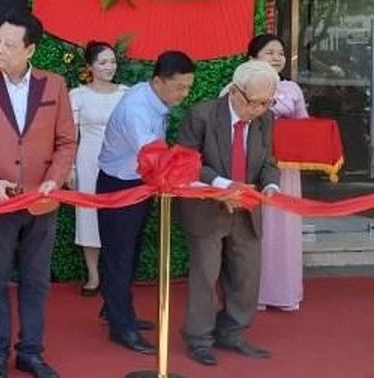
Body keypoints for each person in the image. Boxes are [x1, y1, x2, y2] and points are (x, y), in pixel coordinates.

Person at [0, 10, 75, 378]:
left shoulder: (54, 85)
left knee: (37, 280)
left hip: (43, 198)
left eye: (9, 44)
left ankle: (31, 351)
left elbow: (66, 141)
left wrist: (55, 179)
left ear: (30, 49)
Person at [176, 60, 281, 367]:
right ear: (235, 92)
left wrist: (271, 186)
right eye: (256, 102)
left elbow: (268, 160)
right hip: (207, 207)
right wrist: (224, 186)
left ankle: (233, 333)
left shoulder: (266, 118)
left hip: (247, 208)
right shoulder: (202, 115)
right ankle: (199, 338)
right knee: (205, 275)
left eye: (267, 102)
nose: (260, 109)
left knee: (247, 274)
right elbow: (187, 162)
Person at [96, 50, 196, 355]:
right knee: (120, 254)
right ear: (158, 81)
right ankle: (121, 326)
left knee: (130, 250)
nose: (184, 93)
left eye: (188, 87)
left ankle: (114, 309)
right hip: (120, 184)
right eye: (179, 87)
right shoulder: (137, 110)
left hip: (138, 182)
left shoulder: (150, 95)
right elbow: (152, 156)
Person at [248, 34, 308, 311]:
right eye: (269, 52)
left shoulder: (292, 89)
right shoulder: (239, 87)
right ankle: (255, 292)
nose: (276, 57)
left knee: (284, 228)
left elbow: (304, 128)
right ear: (252, 58)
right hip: (254, 167)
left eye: (280, 53)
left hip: (286, 170)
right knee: (255, 229)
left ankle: (285, 293)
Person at [69, 42, 127, 300]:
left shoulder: (126, 93)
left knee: (119, 215)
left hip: (121, 160)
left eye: (112, 62)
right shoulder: (78, 95)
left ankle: (117, 272)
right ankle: (94, 275)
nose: (109, 67)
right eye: (103, 62)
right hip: (89, 158)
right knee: (89, 215)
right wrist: (69, 167)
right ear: (90, 66)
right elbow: (71, 135)